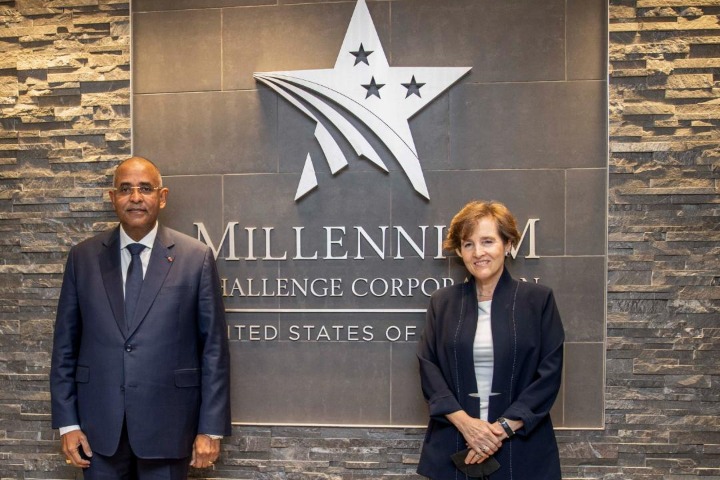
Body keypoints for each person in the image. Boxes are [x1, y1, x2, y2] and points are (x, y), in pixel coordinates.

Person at [50, 156, 231, 479]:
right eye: (125, 189)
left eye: (145, 188)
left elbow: (213, 350)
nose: (135, 197)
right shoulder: (83, 258)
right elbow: (65, 346)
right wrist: (68, 423)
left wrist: (210, 428)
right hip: (97, 432)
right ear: (112, 198)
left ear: (162, 197)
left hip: (170, 427)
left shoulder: (195, 257)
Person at [416, 200, 564, 479]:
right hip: (454, 442)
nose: (478, 252)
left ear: (507, 244)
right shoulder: (442, 303)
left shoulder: (538, 301)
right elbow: (429, 368)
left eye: (487, 241)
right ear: (459, 251)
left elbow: (549, 374)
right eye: (468, 244)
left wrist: (498, 431)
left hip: (522, 447)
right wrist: (467, 425)